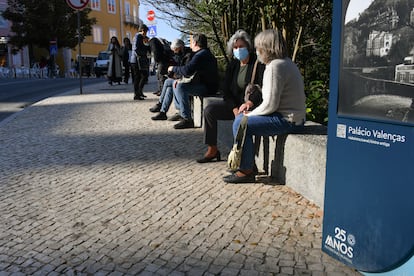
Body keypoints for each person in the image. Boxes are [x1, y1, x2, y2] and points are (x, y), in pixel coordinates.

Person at [223, 29, 306, 183]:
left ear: (266, 47)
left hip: (287, 120)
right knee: (242, 120)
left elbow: (270, 105)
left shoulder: (275, 66)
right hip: (295, 118)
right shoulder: (287, 63)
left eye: (258, 47)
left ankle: (246, 170)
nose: (256, 51)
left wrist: (247, 116)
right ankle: (248, 165)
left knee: (240, 123)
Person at [196, 30, 265, 163]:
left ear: (248, 47)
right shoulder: (233, 64)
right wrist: (233, 108)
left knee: (241, 122)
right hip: (235, 105)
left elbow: (261, 88)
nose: (238, 50)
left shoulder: (257, 63)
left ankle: (243, 159)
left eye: (241, 46)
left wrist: (250, 103)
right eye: (235, 47)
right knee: (209, 111)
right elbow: (226, 90)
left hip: (251, 105)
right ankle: (212, 149)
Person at [167, 33, 219, 129]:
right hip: (204, 84)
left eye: (190, 42)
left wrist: (173, 68)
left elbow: (187, 70)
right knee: (173, 82)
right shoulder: (203, 53)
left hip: (207, 88)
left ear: (195, 43)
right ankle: (181, 111)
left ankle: (187, 119)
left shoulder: (201, 55)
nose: (190, 45)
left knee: (181, 87)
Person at [150, 39, 193, 121]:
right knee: (169, 83)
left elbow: (185, 71)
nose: (174, 52)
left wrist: (175, 74)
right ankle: (163, 112)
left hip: (187, 79)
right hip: (182, 78)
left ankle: (161, 107)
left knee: (169, 82)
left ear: (180, 47)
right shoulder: (181, 55)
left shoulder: (188, 55)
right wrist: (172, 74)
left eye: (175, 50)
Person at [130, 24, 151, 100]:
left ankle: (139, 92)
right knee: (140, 77)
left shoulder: (138, 37)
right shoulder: (138, 36)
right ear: (142, 30)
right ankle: (137, 94)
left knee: (141, 77)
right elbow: (136, 48)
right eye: (145, 32)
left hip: (135, 59)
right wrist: (146, 49)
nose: (146, 34)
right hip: (137, 60)